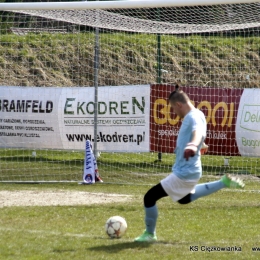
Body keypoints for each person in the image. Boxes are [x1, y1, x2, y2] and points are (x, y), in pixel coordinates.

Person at [134, 87, 244, 242]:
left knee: (149, 197)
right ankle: (223, 182)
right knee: (184, 199)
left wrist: (194, 144)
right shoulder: (198, 114)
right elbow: (198, 132)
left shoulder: (192, 117)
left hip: (184, 172)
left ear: (178, 104)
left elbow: (198, 131)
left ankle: (150, 234)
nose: (174, 112)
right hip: (191, 169)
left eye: (173, 108)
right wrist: (201, 145)